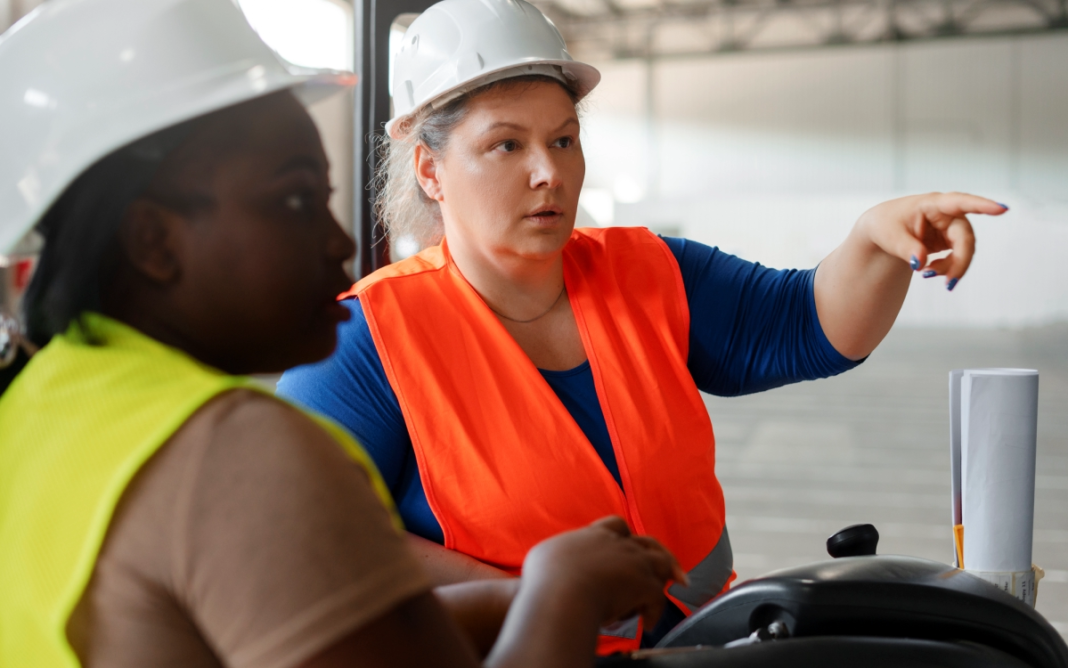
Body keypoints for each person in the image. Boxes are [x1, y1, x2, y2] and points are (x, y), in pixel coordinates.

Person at [276, 0, 1008, 651]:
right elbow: (309, 541)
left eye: (563, 140)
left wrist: (873, 243)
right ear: (431, 171)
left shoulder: (652, 271)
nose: (549, 173)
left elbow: (808, 326)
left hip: (695, 643)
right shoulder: (365, 341)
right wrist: (546, 595)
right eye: (507, 145)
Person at [0, 1, 687, 667]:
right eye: (294, 199)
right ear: (153, 241)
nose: (336, 243)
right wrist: (563, 592)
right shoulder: (237, 454)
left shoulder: (37, 406)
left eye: (563, 139)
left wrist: (521, 597)